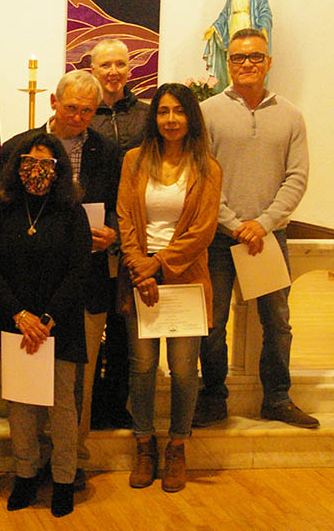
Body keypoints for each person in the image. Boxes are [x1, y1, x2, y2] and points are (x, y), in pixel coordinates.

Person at [0, 69, 120, 489]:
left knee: (74, 388)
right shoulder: (18, 148)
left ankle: (70, 463)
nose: (80, 117)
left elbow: (122, 204)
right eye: (72, 108)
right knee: (27, 388)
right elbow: (0, 216)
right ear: (53, 101)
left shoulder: (108, 150)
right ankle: (28, 467)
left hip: (82, 285)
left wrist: (114, 232)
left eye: (89, 111)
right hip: (25, 290)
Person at [195, 28, 316, 429]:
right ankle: (213, 396)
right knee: (211, 323)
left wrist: (262, 225)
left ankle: (277, 398)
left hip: (267, 239)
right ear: (227, 62)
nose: (247, 63)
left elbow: (296, 178)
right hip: (217, 236)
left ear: (269, 61)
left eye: (255, 57)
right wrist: (233, 223)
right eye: (238, 57)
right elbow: (202, 175)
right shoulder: (209, 112)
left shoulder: (290, 115)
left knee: (277, 322)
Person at [117, 83, 222, 492]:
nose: (171, 119)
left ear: (190, 117)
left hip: (185, 279)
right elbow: (125, 215)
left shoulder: (207, 166)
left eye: (179, 112)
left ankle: (178, 446)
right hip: (140, 280)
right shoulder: (134, 160)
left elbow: (203, 230)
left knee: (182, 370)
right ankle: (145, 444)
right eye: (163, 112)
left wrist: (157, 266)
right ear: (154, 117)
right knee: (141, 367)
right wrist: (138, 267)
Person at [0, 132, 90, 518]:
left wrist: (46, 320)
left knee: (62, 407)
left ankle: (64, 478)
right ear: (17, 166)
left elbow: (79, 270)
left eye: (46, 164)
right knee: (21, 407)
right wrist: (20, 315)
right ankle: (25, 474)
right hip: (16, 322)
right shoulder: (2, 209)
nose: (36, 171)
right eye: (29, 163)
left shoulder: (71, 211)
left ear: (59, 169)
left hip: (57, 325)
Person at [84, 38, 146, 434]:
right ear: (92, 68)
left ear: (129, 69)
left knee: (125, 325)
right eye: (105, 65)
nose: (113, 72)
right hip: (93, 235)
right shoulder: (84, 114)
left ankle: (117, 402)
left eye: (120, 64)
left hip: (134, 235)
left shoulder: (145, 115)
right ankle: (88, 403)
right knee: (91, 323)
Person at [202, 0, 273, 92]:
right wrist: (214, 28)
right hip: (233, 28)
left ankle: (251, 88)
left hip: (249, 27)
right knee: (234, 57)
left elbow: (265, 12)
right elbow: (224, 14)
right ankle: (232, 87)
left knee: (250, 56)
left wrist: (263, 27)